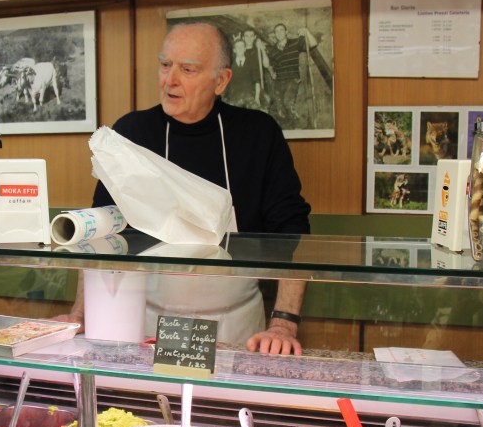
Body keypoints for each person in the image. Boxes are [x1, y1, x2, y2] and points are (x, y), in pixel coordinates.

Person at [76, 22, 311, 355]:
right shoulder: (132, 134)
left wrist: (284, 324)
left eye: (187, 69)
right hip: (148, 323)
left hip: (238, 325)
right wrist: (80, 313)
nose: (170, 80)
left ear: (221, 80)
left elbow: (293, 234)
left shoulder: (258, 134)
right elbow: (99, 232)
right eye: (165, 65)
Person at [267, 23, 332, 128]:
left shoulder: (295, 42)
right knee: (279, 109)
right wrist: (272, 72)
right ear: (274, 34)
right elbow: (271, 65)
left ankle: (297, 125)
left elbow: (313, 43)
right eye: (277, 31)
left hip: (292, 79)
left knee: (288, 103)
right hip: (279, 81)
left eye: (281, 30)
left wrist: (306, 31)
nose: (279, 33)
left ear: (286, 32)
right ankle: (288, 128)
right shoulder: (273, 50)